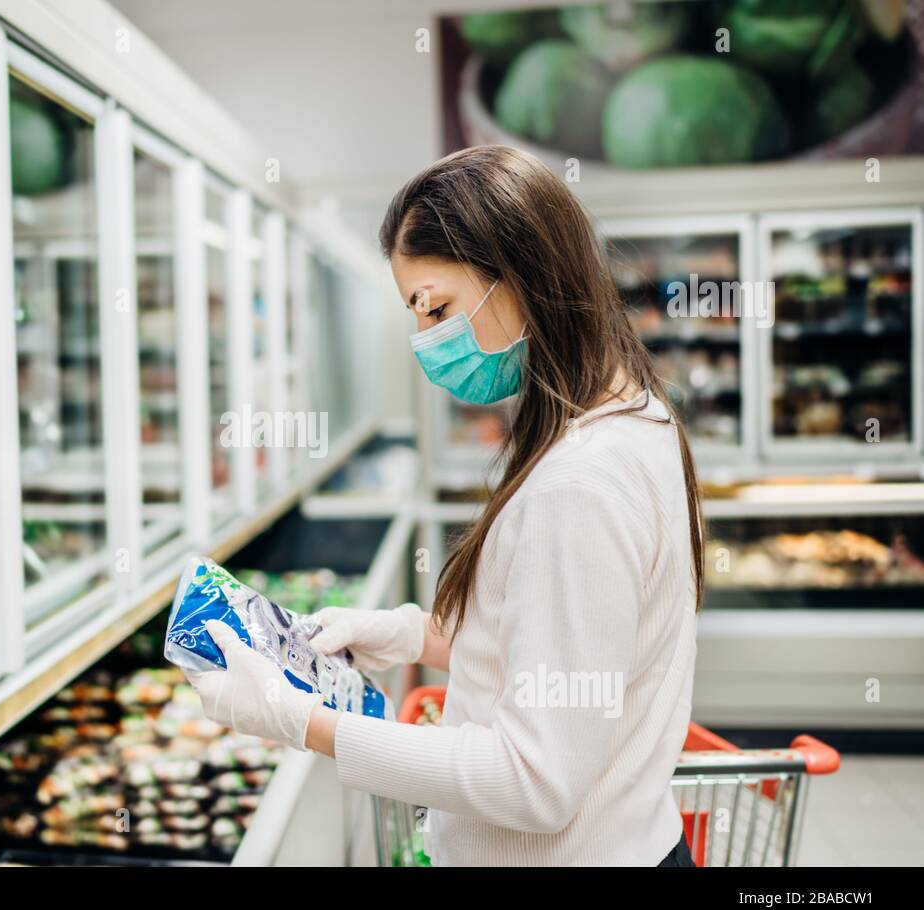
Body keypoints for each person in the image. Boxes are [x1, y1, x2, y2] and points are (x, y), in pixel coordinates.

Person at [188, 145, 703, 866]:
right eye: (416, 314)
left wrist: (304, 722)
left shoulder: (577, 486)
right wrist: (413, 637)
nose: (428, 339)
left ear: (524, 274)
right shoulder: (634, 418)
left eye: (439, 307)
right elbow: (574, 654)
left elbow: (536, 782)